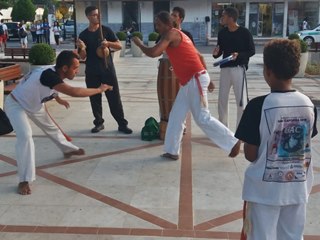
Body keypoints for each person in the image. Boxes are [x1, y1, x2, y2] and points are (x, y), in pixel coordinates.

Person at [235, 39, 318, 239]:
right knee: (292, 235)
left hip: (264, 191)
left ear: (268, 71)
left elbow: (250, 154)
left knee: (260, 235)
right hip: (297, 188)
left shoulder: (257, 106)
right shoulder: (308, 104)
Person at [132, 11, 240, 160]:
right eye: (155, 24)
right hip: (192, 80)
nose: (157, 27)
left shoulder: (171, 34)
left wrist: (139, 44)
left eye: (159, 24)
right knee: (175, 116)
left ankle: (232, 142)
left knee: (202, 117)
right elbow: (199, 56)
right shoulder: (180, 35)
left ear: (168, 25)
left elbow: (154, 52)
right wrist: (207, 79)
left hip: (194, 79)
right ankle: (172, 150)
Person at [4, 51, 112, 195]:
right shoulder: (49, 75)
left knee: (51, 127)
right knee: (25, 136)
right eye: (75, 68)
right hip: (16, 104)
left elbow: (45, 85)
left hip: (34, 104)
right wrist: (99, 89)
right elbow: (74, 91)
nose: (77, 70)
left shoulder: (53, 72)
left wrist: (57, 98)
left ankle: (67, 149)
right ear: (64, 68)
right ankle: (24, 180)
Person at [77, 6, 132, 134]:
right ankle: (99, 123)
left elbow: (118, 45)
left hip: (107, 70)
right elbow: (82, 56)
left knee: (114, 98)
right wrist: (82, 47)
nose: (98, 17)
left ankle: (122, 124)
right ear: (88, 17)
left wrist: (108, 44)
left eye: (98, 14)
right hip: (91, 71)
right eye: (95, 15)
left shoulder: (106, 30)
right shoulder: (83, 35)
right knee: (94, 98)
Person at [212, 7, 255, 129]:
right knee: (222, 100)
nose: (222, 18)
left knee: (241, 101)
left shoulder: (245, 32)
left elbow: (252, 51)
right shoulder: (222, 33)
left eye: (224, 15)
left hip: (239, 69)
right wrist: (216, 53)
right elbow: (219, 51)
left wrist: (239, 55)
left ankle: (240, 130)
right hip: (225, 68)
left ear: (231, 18)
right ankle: (223, 128)